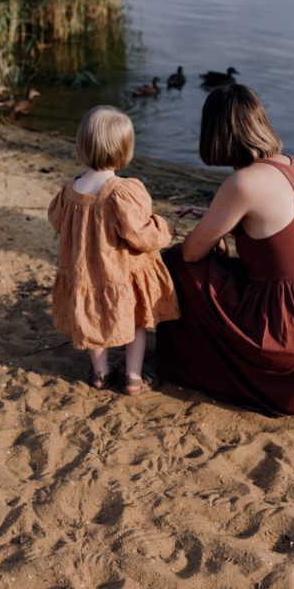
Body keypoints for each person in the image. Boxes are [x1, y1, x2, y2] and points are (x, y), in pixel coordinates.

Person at [156, 84, 294, 416]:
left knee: (174, 262)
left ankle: (193, 364)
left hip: (289, 339)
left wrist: (217, 226)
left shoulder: (243, 183)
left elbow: (191, 254)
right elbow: (287, 237)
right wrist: (224, 221)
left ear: (215, 133)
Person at [48, 105, 179, 395]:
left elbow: (56, 221)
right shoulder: (123, 191)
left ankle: (100, 373)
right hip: (121, 274)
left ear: (82, 146)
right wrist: (165, 229)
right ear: (125, 149)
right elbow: (141, 235)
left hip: (85, 273)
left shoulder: (70, 190)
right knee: (135, 323)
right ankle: (133, 377)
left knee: (92, 320)